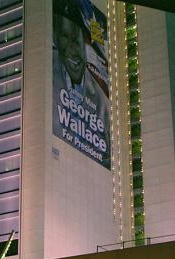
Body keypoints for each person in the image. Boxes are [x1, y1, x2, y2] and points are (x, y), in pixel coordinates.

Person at [52, 0, 110, 167]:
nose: (72, 49)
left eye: (76, 40)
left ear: (86, 45)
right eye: (64, 37)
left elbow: (107, 157)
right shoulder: (49, 76)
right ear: (56, 39)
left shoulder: (103, 105)